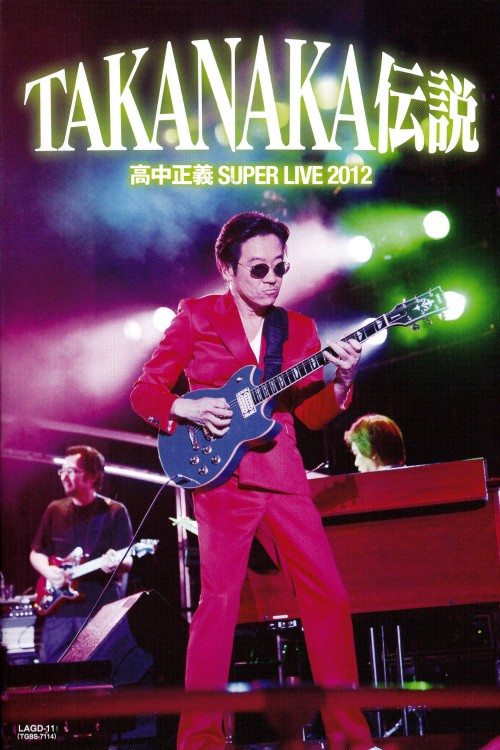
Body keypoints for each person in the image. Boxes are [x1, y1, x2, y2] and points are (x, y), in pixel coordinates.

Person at [131, 212, 380, 750]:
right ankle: (200, 738)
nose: (272, 278)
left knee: (329, 598)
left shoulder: (300, 329)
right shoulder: (196, 317)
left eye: (280, 268)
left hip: (284, 476)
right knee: (218, 604)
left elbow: (311, 415)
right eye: (259, 268)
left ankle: (350, 737)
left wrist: (343, 379)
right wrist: (185, 408)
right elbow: (145, 392)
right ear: (227, 269)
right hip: (221, 480)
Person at [30, 445, 133, 663]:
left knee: (100, 673)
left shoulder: (114, 511)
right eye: (62, 471)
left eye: (71, 471)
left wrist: (115, 563)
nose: (64, 476)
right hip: (59, 612)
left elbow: (128, 559)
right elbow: (36, 553)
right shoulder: (55, 509)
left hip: (99, 608)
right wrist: (49, 572)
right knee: (53, 674)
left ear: (93, 476)